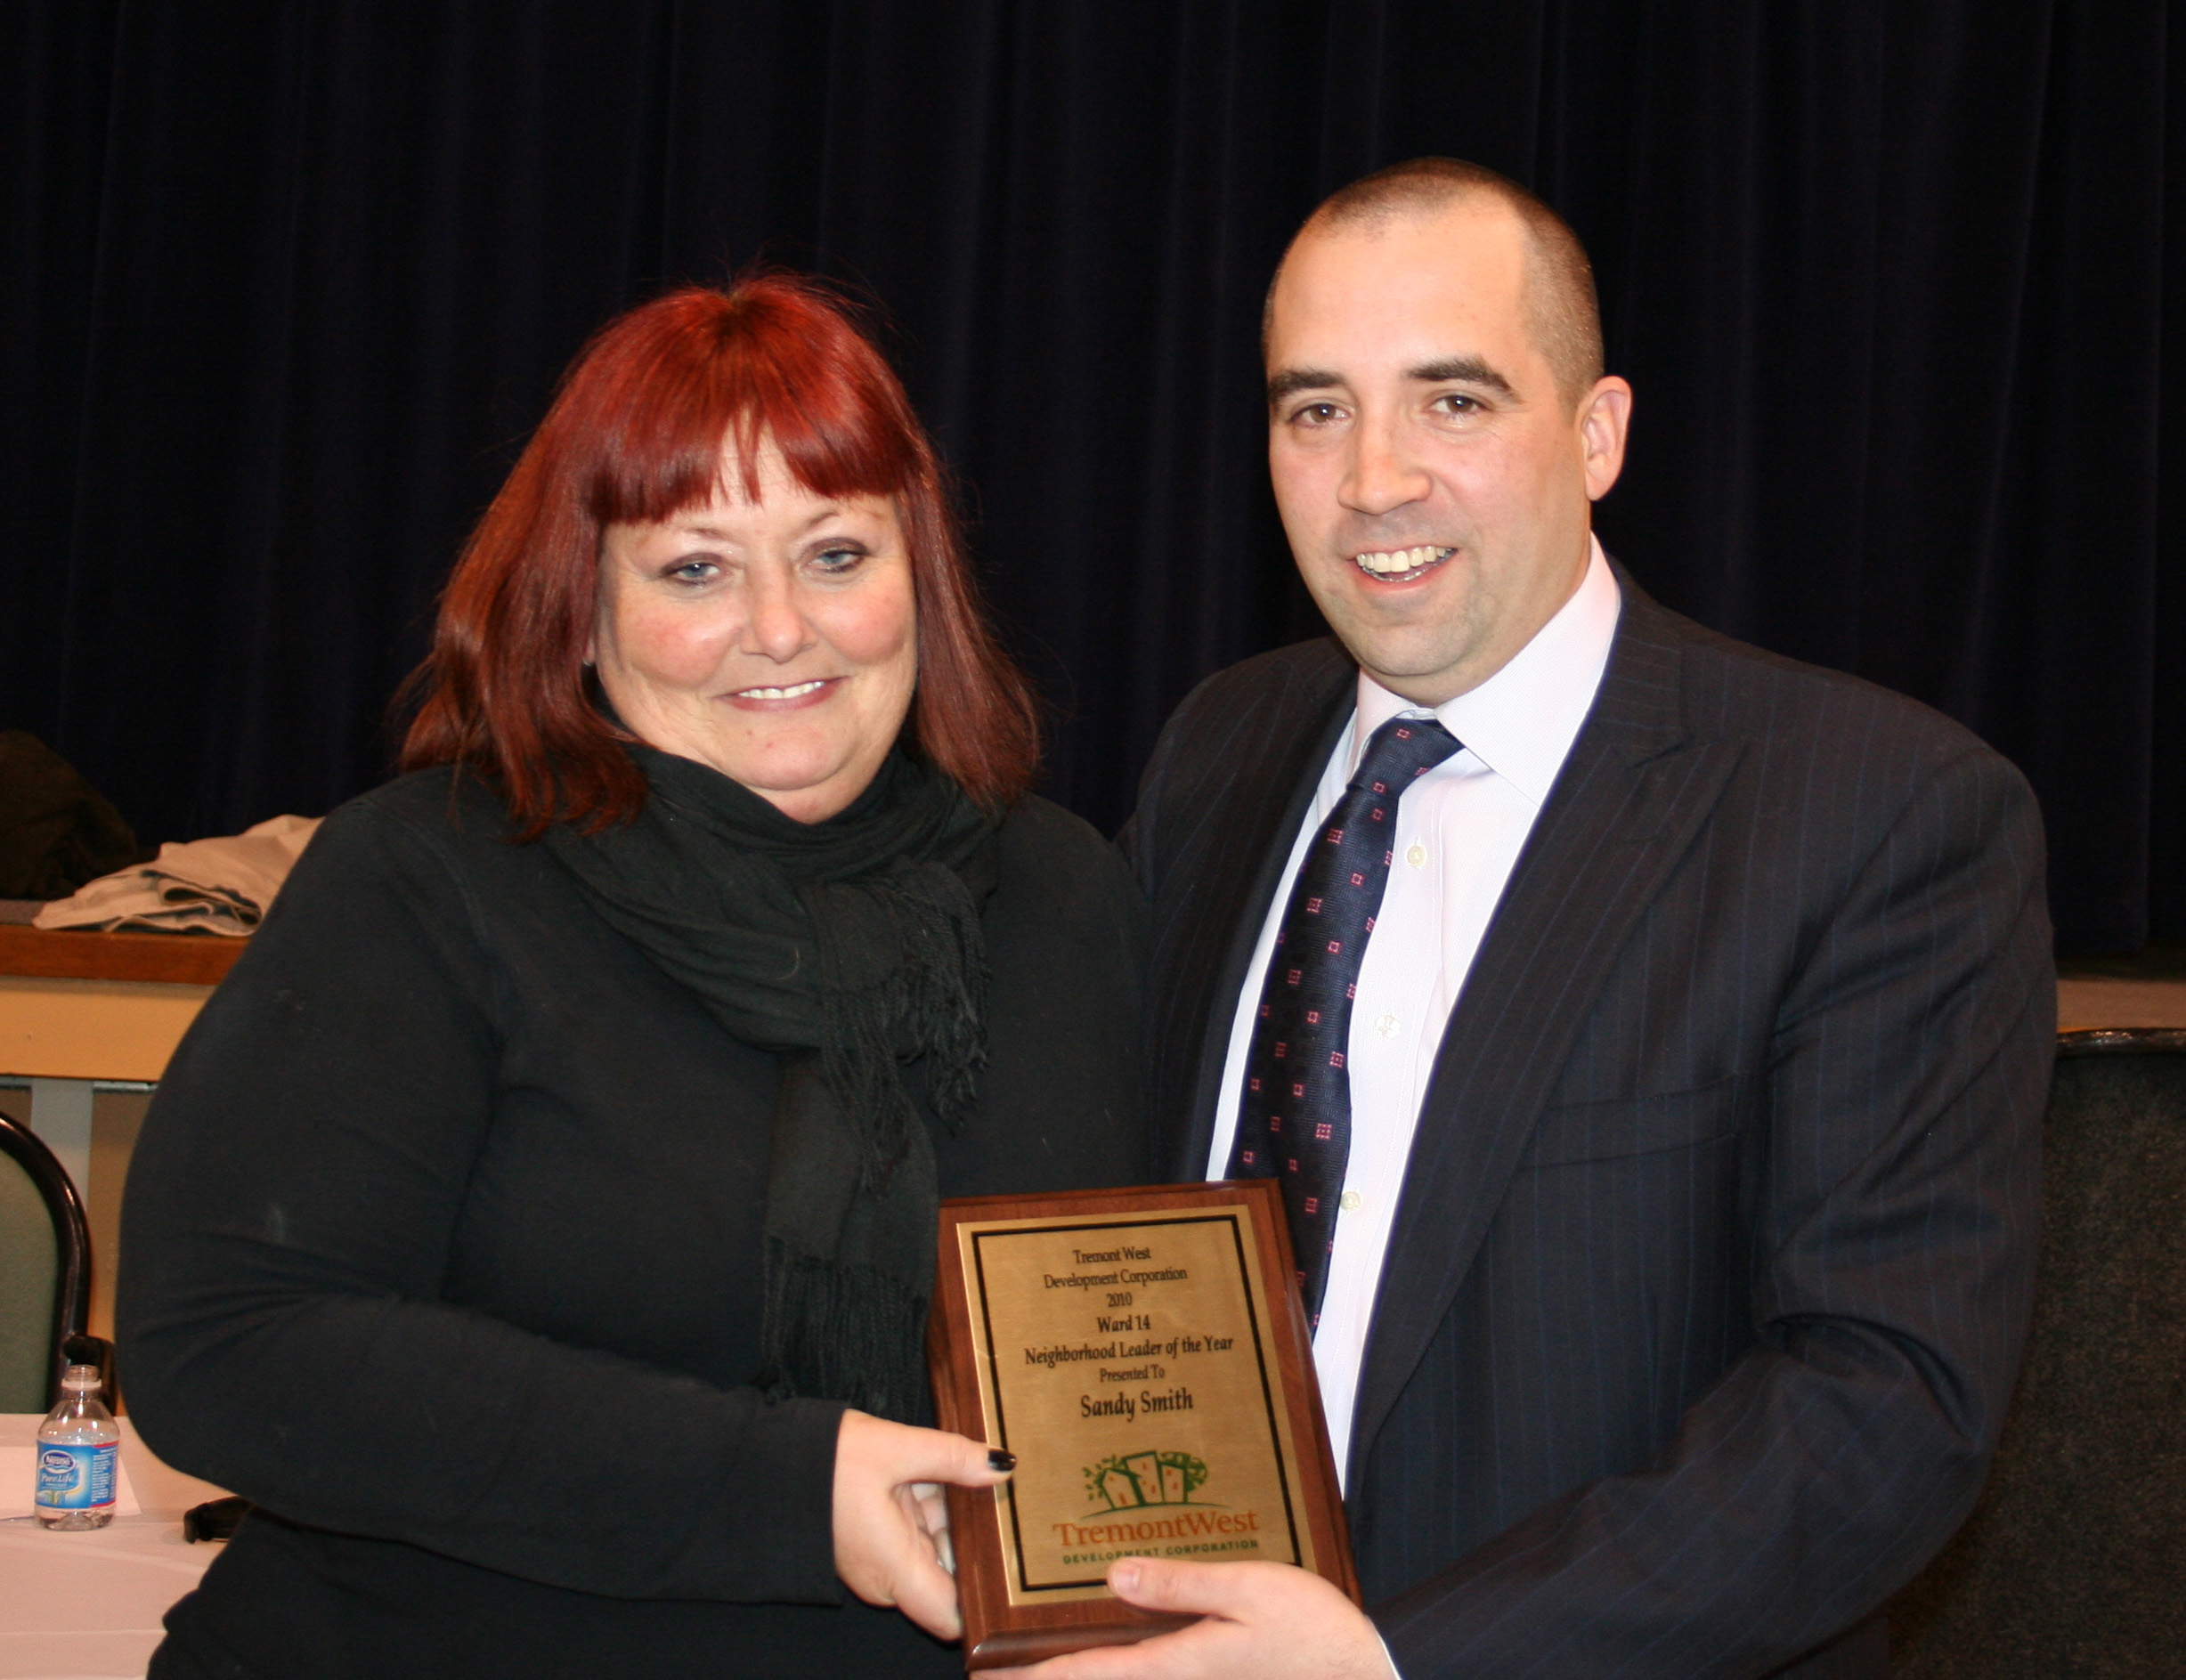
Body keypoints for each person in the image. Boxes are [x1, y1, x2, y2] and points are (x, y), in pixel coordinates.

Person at [1006, 160, 2052, 1679]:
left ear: (1597, 432)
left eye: (1453, 401)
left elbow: (1883, 1405)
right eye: (1317, 409)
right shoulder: (1222, 745)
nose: (1374, 478)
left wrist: (1397, 1667)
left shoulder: (1876, 813)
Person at [117, 275, 1151, 1678]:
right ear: (582, 612)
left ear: (923, 578)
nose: (779, 627)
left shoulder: (1064, 896)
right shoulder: (430, 878)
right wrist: (789, 1487)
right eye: (695, 570)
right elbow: (227, 1344)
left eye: (836, 554)